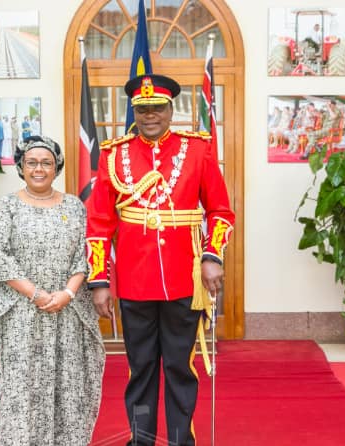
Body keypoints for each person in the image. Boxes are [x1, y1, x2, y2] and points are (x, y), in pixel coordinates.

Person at [86, 74, 235, 446]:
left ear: (172, 110)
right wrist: (101, 281)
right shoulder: (112, 154)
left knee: (179, 367)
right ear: (134, 111)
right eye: (142, 109)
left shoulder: (197, 150)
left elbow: (220, 212)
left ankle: (182, 441)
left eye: (157, 108)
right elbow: (99, 223)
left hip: (185, 280)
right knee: (141, 369)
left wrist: (212, 256)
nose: (150, 115)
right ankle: (142, 440)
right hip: (135, 283)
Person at [0, 135, 105, 445]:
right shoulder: (7, 206)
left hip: (67, 313)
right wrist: (35, 293)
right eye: (31, 162)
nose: (38, 169)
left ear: (57, 167)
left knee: (67, 384)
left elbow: (84, 256)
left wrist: (68, 294)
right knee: (20, 386)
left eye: (46, 163)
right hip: (20, 314)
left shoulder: (74, 206)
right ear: (20, 166)